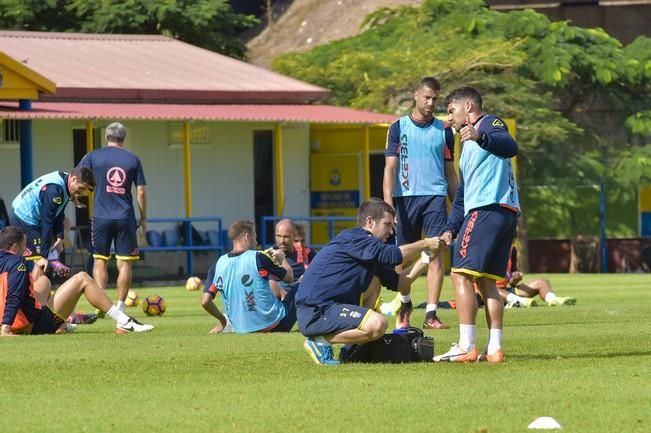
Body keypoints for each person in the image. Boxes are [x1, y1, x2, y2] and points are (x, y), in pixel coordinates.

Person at [296, 198, 443, 365]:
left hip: (328, 308)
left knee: (375, 280)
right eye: (387, 224)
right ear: (370, 222)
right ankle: (319, 342)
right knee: (378, 324)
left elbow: (398, 282)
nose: (391, 230)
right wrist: (425, 243)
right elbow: (393, 255)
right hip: (316, 311)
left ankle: (349, 348)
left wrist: (425, 259)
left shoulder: (370, 249)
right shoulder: (356, 238)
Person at [434, 86, 519, 364]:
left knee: (460, 275)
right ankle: (494, 349)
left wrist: (480, 135)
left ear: (468, 106)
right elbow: (461, 194)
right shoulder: (466, 143)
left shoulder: (489, 124)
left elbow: (510, 146)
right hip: (501, 213)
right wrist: (451, 227)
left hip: (486, 210)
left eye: (451, 111)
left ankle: (466, 345)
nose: (449, 119)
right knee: (487, 283)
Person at [382, 76, 458, 330]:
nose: (430, 102)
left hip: (435, 197)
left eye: (435, 98)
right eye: (426, 97)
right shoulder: (398, 127)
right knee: (402, 256)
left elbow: (450, 173)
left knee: (436, 253)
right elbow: (390, 169)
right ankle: (405, 303)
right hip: (404, 199)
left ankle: (431, 313)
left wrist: (458, 206)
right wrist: (387, 205)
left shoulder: (445, 131)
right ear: (415, 95)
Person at [0, 226, 153, 336]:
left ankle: (63, 323)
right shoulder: (17, 262)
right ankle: (123, 321)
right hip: (29, 325)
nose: (26, 249)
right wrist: (6, 328)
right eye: (24, 245)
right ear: (14, 247)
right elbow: (14, 295)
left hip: (12, 318)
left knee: (43, 281)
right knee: (83, 278)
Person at [78, 122, 147, 311]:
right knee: (124, 263)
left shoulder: (93, 156)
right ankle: (121, 307)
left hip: (100, 217)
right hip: (125, 217)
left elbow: (78, 177)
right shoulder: (133, 159)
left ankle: (101, 306)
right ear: (123, 138)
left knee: (100, 260)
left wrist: (80, 195)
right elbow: (140, 192)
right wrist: (143, 218)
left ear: (106, 137)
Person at [201, 220, 296, 334]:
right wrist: (282, 258)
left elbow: (205, 301)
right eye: (255, 237)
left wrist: (222, 320)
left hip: (241, 329)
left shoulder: (218, 265)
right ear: (247, 237)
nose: (256, 242)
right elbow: (289, 278)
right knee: (301, 286)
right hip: (274, 324)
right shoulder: (259, 257)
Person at [11, 167, 95, 277]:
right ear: (74, 179)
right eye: (80, 189)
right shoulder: (54, 191)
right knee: (41, 262)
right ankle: (36, 292)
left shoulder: (66, 181)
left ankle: (52, 262)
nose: (80, 194)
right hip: (24, 217)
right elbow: (47, 223)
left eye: (84, 192)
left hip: (33, 217)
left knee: (65, 223)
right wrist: (44, 255)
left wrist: (60, 238)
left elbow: (59, 213)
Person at [498, 246, 576, 308]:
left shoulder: (512, 250)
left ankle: (553, 300)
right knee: (489, 288)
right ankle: (517, 301)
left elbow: (511, 282)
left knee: (541, 282)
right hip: (489, 296)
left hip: (505, 292)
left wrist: (515, 278)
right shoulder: (488, 247)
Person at [269, 219, 316, 295]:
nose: (282, 241)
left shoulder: (306, 253)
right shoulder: (269, 255)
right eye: (278, 236)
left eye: (286, 237)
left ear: (294, 236)